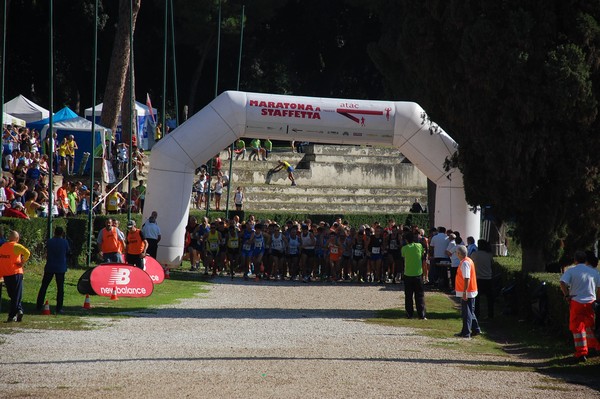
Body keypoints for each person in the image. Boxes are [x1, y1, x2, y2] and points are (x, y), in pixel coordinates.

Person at [560, 250, 600, 362]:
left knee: (578, 329)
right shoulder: (594, 272)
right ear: (585, 259)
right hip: (591, 303)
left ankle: (581, 353)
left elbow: (562, 282)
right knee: (591, 326)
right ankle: (594, 347)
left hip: (576, 301)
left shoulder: (571, 271)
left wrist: (567, 295)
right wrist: (597, 300)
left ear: (575, 260)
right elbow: (599, 287)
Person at [36, 226, 71, 314]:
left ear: (54, 232)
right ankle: (59, 308)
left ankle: (39, 305)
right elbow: (68, 252)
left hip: (50, 266)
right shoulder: (64, 242)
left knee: (44, 286)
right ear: (62, 233)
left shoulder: (50, 241)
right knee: (60, 288)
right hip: (60, 267)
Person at [0, 231, 31, 322]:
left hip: (6, 274)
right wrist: (22, 262)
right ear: (17, 239)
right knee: (16, 295)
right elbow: (27, 252)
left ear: (9, 238)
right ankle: (12, 315)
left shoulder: (3, 247)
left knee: (12, 295)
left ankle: (19, 310)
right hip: (16, 273)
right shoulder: (16, 246)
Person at [454, 245, 481, 338]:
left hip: (467, 291)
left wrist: (464, 291)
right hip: (470, 290)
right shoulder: (468, 260)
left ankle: (466, 332)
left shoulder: (465, 263)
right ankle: (476, 329)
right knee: (470, 311)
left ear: (459, 253)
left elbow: (467, 278)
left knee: (467, 313)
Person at [401, 231, 426, 319]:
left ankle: (409, 314)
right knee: (419, 295)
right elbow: (423, 253)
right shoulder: (419, 246)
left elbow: (403, 257)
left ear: (406, 240)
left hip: (408, 274)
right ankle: (422, 314)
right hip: (418, 274)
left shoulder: (404, 248)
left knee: (408, 296)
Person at [471, 239, 495, 319]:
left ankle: (476, 313)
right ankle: (490, 314)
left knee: (476, 298)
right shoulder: (489, 255)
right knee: (490, 298)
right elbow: (492, 265)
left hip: (478, 278)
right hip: (488, 278)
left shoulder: (474, 254)